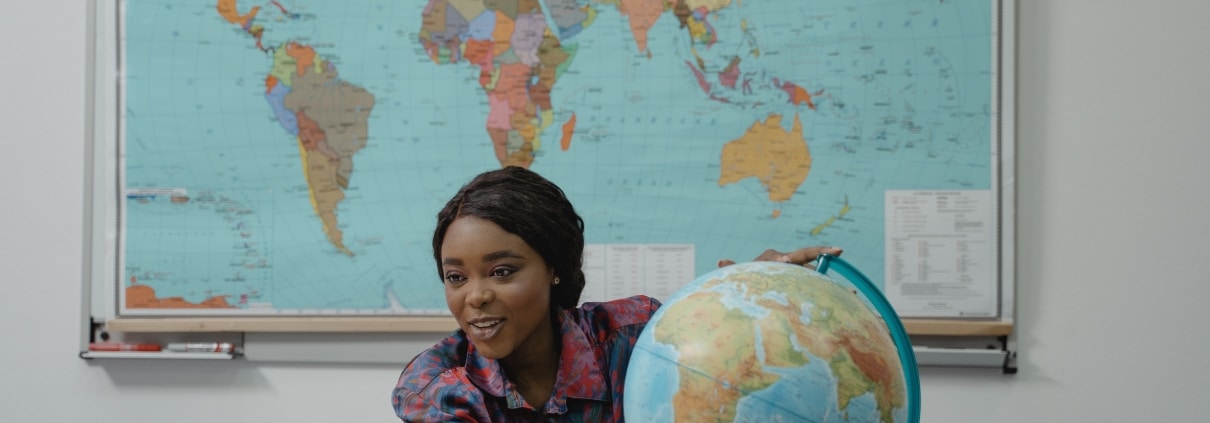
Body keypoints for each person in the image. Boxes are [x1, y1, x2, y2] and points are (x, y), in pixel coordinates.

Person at [391, 166, 841, 422]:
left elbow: (713, 343)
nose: (475, 297)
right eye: (456, 277)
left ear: (553, 268)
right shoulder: (438, 386)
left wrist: (753, 290)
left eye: (501, 271)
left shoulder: (637, 337)